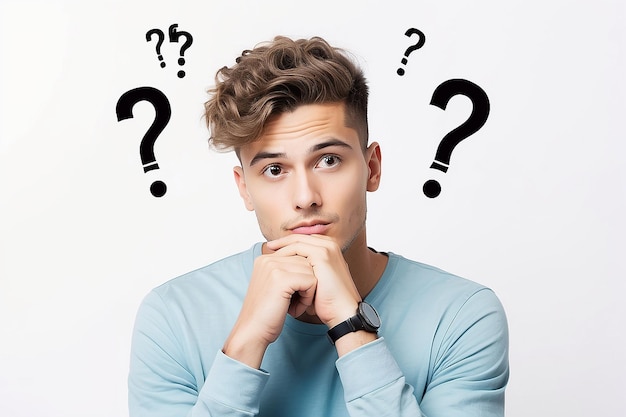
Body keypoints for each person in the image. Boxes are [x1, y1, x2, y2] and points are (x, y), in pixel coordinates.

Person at [128, 35, 509, 417]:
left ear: (371, 168)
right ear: (245, 189)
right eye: (274, 170)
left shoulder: (462, 315)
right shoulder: (172, 317)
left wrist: (351, 324)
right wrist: (245, 345)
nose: (306, 197)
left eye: (328, 160)